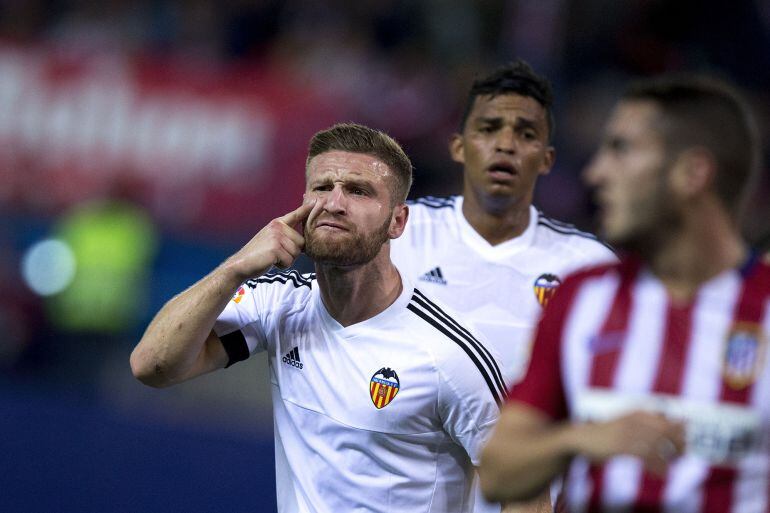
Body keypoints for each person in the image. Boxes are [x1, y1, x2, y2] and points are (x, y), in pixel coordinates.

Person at [130, 123, 510, 513]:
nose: (334, 203)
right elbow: (153, 366)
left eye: (359, 191)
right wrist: (234, 269)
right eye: (322, 187)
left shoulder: (450, 354)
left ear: (397, 222)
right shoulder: (278, 303)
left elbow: (525, 494)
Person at [479, 75, 769, 512]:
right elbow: (499, 471)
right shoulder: (581, 298)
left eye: (621, 149)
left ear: (693, 173)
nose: (596, 173)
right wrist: (580, 438)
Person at [390, 60, 615, 513]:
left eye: (526, 134)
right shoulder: (398, 236)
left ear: (547, 158)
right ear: (458, 146)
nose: (506, 145)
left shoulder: (591, 268)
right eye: (489, 128)